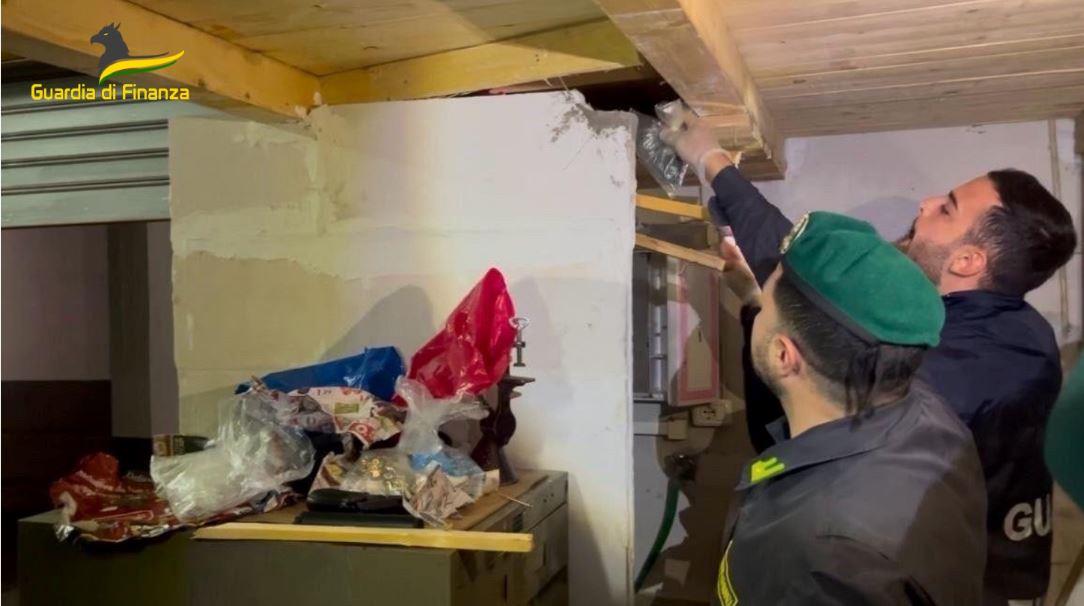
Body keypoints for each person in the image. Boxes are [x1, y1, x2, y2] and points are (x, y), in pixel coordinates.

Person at [664, 111, 1078, 606]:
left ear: (968, 262)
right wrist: (716, 168)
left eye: (946, 209)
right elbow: (820, 279)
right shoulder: (1017, 329)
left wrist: (761, 304)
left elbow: (799, 401)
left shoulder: (948, 373)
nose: (926, 203)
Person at [713, 210, 986, 605]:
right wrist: (757, 301)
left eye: (767, 308)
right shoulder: (929, 415)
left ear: (783, 355)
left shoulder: (817, 553)